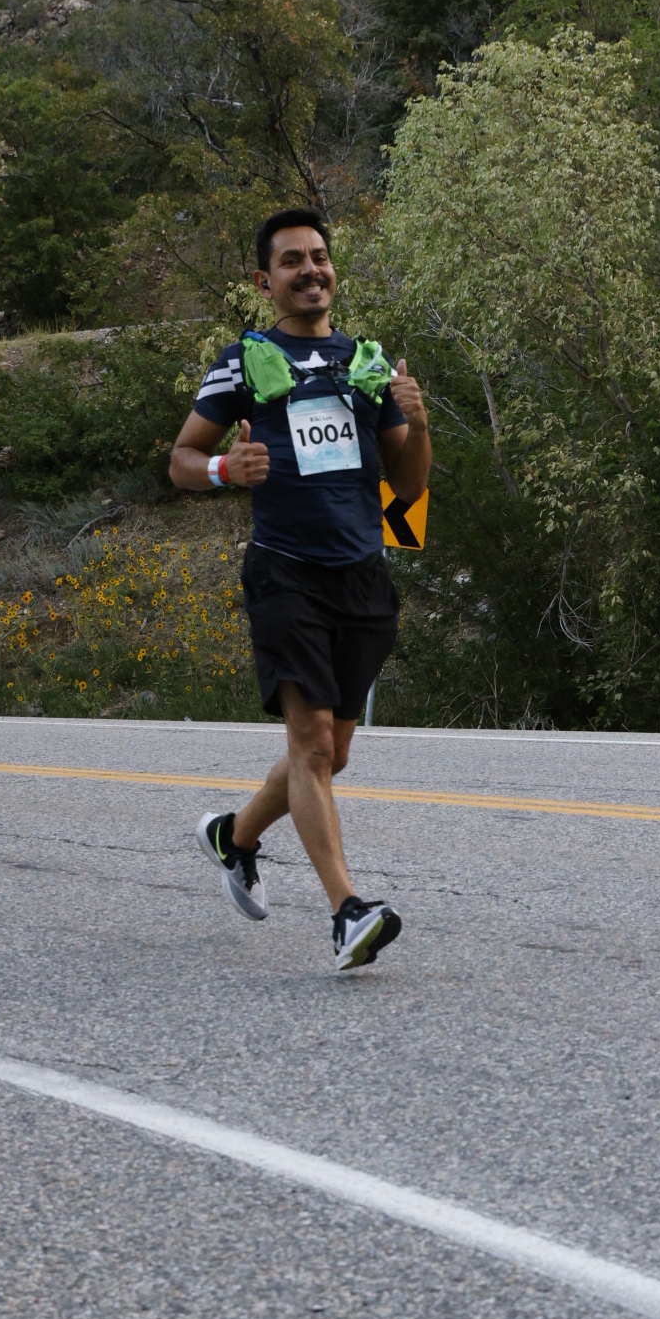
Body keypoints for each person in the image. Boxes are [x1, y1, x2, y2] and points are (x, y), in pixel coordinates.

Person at [168, 207, 431, 971]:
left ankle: (234, 836)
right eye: (292, 261)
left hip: (362, 576)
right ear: (265, 281)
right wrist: (226, 469)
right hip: (285, 571)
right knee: (311, 744)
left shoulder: (366, 363)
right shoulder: (242, 363)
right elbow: (182, 458)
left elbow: (408, 489)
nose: (310, 270)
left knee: (330, 754)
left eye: (319, 257)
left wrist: (417, 425)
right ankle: (348, 912)